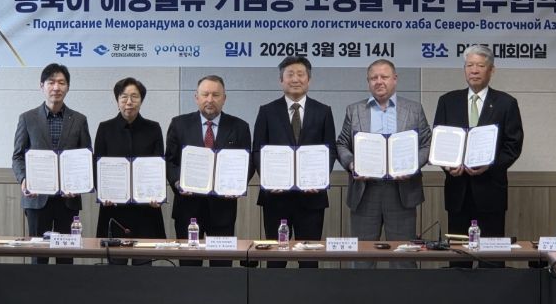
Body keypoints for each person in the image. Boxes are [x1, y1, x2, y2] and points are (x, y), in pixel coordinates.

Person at [433, 44, 524, 268]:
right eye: (469, 65)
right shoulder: (447, 101)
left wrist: (489, 166)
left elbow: (513, 145)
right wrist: (447, 166)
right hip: (457, 191)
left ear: (491, 70)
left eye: (480, 66)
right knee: (458, 259)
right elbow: (439, 142)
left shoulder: (506, 103)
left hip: (491, 190)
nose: (474, 70)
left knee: (491, 259)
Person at [336, 59, 431, 268]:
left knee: (403, 258)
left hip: (402, 191)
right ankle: (362, 291)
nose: (379, 81)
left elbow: (427, 143)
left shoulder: (414, 109)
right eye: (374, 78)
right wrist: (352, 164)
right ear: (368, 82)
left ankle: (402, 291)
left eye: (384, 77)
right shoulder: (354, 110)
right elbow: (342, 143)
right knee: (362, 258)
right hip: (365, 191)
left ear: (395, 79)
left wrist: (413, 165)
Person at [252, 56, 337, 269]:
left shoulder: (323, 111)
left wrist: (318, 180)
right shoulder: (267, 111)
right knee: (275, 259)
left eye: (300, 74)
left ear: (309, 79)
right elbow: (258, 150)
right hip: (275, 198)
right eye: (290, 74)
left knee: (309, 259)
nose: (295, 79)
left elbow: (330, 151)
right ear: (281, 80)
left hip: (311, 198)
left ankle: (309, 292)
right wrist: (269, 180)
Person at [166, 75, 252, 267]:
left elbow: (248, 163)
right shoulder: (179, 124)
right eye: (205, 94)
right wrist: (178, 183)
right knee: (189, 267)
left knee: (221, 267)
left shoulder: (239, 127)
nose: (210, 99)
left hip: (223, 209)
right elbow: (169, 161)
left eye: (215, 95)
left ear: (224, 98)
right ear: (196, 97)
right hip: (187, 209)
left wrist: (237, 186)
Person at [12, 63, 91, 264]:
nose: (56, 87)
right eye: (51, 82)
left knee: (66, 256)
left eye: (61, 83)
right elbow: (18, 156)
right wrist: (23, 179)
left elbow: (86, 158)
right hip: (37, 199)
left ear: (68, 87)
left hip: (68, 200)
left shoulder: (79, 119)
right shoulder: (27, 118)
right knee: (39, 256)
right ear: (42, 86)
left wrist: (79, 185)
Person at [94, 77, 166, 264]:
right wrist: (103, 193)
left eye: (134, 96)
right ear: (117, 100)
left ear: (141, 100)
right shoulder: (105, 128)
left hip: (146, 210)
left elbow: (159, 166)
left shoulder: (153, 128)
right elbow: (97, 166)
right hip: (114, 210)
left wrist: (157, 195)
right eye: (124, 96)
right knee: (116, 269)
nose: (129, 102)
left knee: (143, 268)